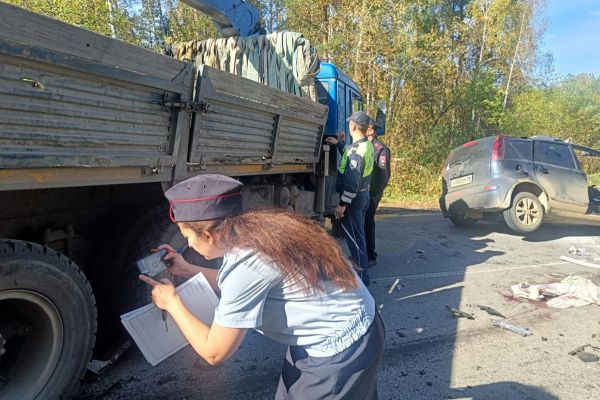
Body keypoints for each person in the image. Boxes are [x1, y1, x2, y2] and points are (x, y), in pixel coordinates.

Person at [139, 174, 385, 399]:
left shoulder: (245, 262)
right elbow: (246, 287)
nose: (188, 245)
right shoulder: (254, 230)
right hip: (352, 326)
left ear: (208, 236)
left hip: (343, 349)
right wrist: (187, 269)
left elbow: (213, 352)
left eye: (187, 236)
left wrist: (172, 302)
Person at [325, 111, 374, 286]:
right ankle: (362, 276)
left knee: (356, 241)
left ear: (353, 125)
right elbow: (351, 157)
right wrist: (340, 144)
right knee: (358, 237)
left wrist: (342, 204)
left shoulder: (357, 151)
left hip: (354, 199)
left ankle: (362, 281)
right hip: (362, 195)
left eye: (350, 123)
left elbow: (352, 180)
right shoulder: (364, 145)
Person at [365, 119, 391, 267]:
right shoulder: (364, 146)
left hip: (372, 193)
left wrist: (373, 193)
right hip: (363, 192)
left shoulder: (380, 149)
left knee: (367, 223)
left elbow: (383, 175)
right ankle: (362, 253)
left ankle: (370, 256)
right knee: (361, 223)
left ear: (370, 131)